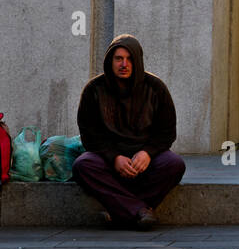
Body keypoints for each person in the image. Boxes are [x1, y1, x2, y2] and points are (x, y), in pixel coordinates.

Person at [73, 34, 186, 231]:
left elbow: (166, 132)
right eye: (118, 58)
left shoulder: (156, 88)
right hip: (110, 163)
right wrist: (114, 157)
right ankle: (140, 211)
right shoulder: (94, 89)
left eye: (129, 59)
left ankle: (121, 212)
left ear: (137, 61)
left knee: (174, 164)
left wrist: (147, 153)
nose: (124, 64)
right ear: (111, 60)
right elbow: (89, 134)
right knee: (83, 165)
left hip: (145, 162)